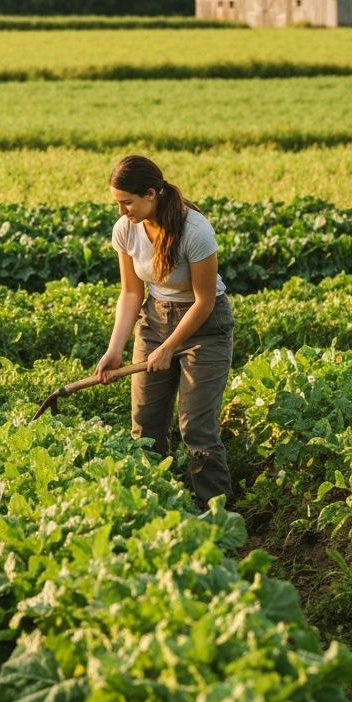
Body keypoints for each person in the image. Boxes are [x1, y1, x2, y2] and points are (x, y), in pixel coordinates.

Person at [95, 155, 234, 509]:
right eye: (117, 202)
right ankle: (154, 509)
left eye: (127, 202)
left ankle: (215, 516)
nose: (122, 210)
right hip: (154, 321)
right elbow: (131, 293)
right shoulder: (125, 229)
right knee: (144, 426)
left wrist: (171, 346)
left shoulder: (195, 230)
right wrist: (115, 350)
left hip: (204, 327)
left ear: (151, 194)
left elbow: (203, 301)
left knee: (197, 430)